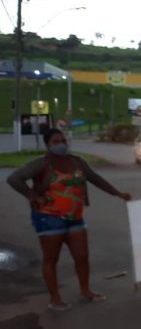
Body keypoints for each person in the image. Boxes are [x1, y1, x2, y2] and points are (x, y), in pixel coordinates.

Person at [6, 129, 131, 311]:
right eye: (56, 141)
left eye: (63, 140)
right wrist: (32, 196)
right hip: (48, 218)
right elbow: (14, 179)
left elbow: (95, 178)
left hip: (75, 217)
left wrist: (118, 193)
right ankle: (55, 298)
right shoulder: (41, 164)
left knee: (82, 256)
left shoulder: (77, 162)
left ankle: (86, 291)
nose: (61, 144)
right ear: (48, 145)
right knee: (51, 258)